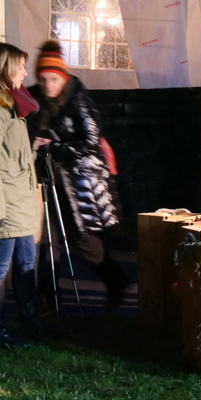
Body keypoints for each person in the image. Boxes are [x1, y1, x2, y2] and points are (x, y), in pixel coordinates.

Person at [26, 41, 129, 314]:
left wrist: (53, 147)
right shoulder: (33, 98)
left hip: (77, 182)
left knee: (84, 240)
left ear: (63, 77)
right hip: (45, 180)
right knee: (48, 241)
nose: (48, 85)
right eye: (43, 79)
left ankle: (116, 282)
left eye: (53, 79)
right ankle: (48, 299)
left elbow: (90, 140)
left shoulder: (78, 100)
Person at [0, 43, 63, 345]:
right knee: (0, 269)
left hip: (22, 198)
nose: (26, 72)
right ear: (4, 68)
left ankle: (29, 321)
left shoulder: (14, 106)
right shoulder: (0, 110)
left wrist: (35, 148)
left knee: (26, 264)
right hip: (6, 204)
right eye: (20, 66)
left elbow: (12, 154)